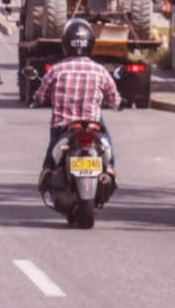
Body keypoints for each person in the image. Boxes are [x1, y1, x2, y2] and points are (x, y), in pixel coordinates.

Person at [33, 18, 122, 192]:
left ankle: (47, 170)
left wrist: (37, 101)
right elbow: (114, 99)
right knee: (106, 140)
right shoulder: (100, 70)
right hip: (92, 124)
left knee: (53, 147)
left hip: (63, 126)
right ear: (91, 44)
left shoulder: (56, 70)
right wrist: (117, 102)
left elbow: (41, 96)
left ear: (66, 44)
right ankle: (110, 167)